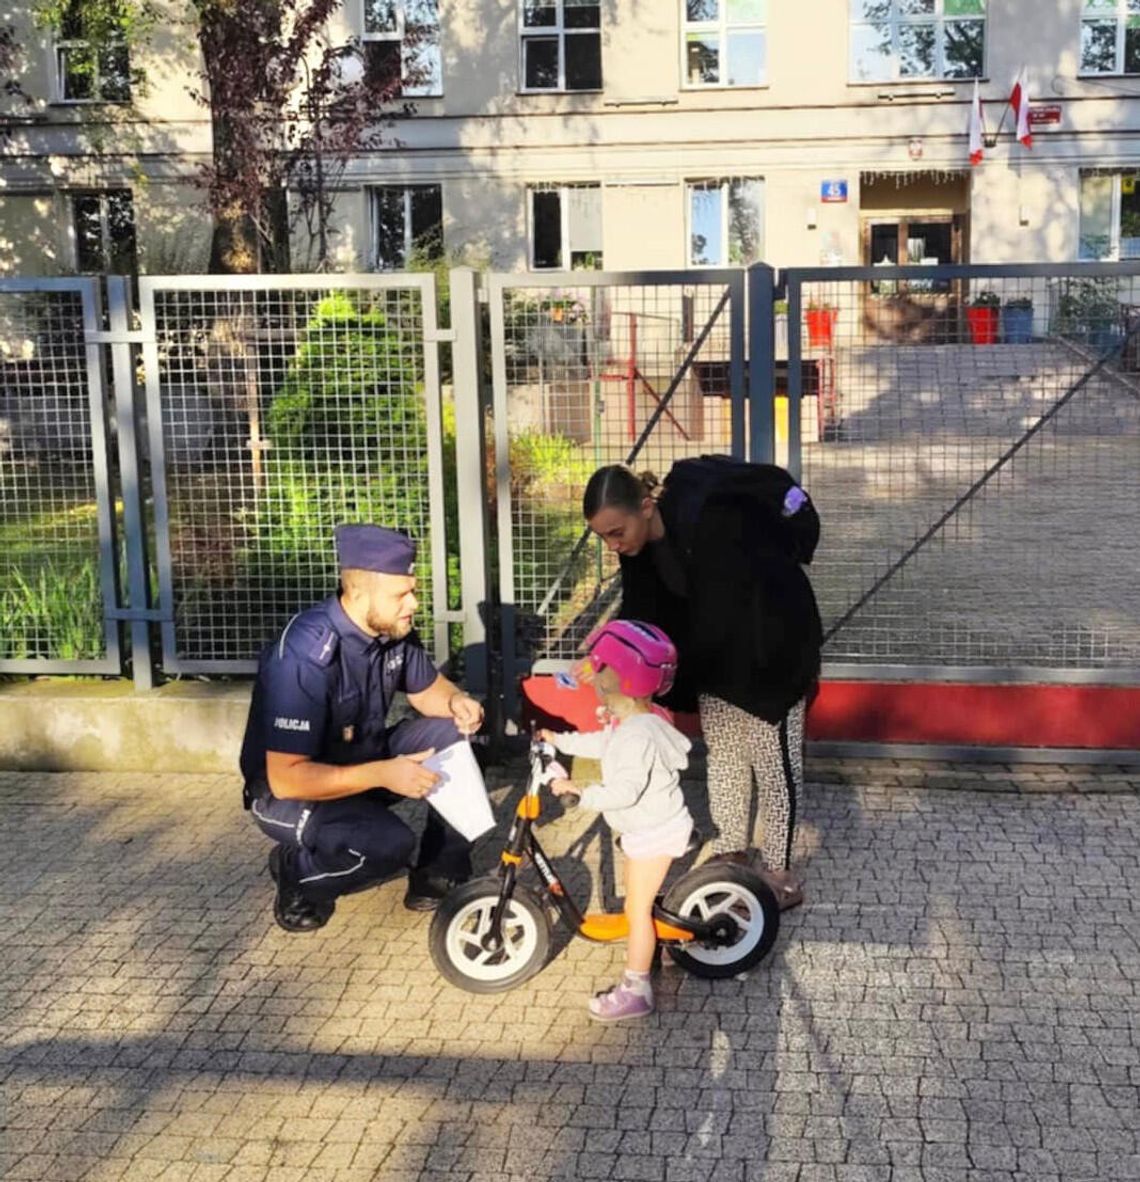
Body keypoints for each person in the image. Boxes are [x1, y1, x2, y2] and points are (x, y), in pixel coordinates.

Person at [581, 463, 822, 910]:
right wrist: (606, 653)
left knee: (774, 767)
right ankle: (732, 848)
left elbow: (762, 593)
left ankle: (778, 872)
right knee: (726, 757)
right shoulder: (637, 551)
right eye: (605, 538)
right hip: (714, 661)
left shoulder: (713, 517)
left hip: (773, 652)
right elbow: (640, 614)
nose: (614, 545)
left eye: (617, 532)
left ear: (647, 507)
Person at [239, 523, 484, 933]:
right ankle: (297, 872)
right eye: (402, 594)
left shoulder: (391, 629)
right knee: (386, 846)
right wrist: (385, 774)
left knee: (456, 733)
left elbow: (427, 691)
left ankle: (439, 871)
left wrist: (456, 701)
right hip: (290, 794)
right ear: (359, 592)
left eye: (413, 590)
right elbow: (286, 779)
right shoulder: (303, 654)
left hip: (363, 763)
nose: (414, 603)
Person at [539, 619, 693, 1023]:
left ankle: (636, 988)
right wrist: (559, 741)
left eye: (599, 670)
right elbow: (600, 743)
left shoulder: (637, 735)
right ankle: (649, 953)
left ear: (616, 680)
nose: (593, 677)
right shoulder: (636, 719)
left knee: (637, 910)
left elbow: (625, 790)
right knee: (637, 900)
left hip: (654, 832)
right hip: (647, 827)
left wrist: (579, 791)